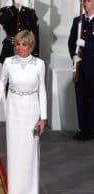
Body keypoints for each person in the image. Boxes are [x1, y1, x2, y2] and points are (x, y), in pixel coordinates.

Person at [0, 30, 47, 194]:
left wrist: (43, 118)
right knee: (14, 153)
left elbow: (42, 91)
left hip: (31, 111)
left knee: (30, 153)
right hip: (14, 110)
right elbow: (1, 86)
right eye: (17, 44)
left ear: (30, 46)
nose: (19, 48)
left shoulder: (39, 64)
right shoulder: (8, 62)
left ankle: (30, 190)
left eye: (24, 44)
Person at [68, 0, 94, 141]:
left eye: (88, 0)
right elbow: (71, 42)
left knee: (92, 99)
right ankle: (83, 129)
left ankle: (91, 129)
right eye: (84, 1)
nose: (85, 3)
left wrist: (87, 44)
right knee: (81, 98)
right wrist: (75, 56)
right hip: (81, 66)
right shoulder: (78, 21)